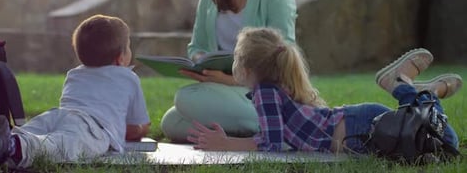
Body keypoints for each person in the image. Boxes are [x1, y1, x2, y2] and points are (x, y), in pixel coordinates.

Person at [187, 27, 462, 154]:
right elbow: (274, 139)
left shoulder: (265, 93)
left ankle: (402, 84)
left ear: (247, 69)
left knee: (441, 144)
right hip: (360, 127)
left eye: (235, 58)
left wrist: (227, 145)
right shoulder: (272, 90)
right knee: (435, 142)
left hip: (361, 128)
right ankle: (419, 93)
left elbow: (271, 143)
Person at [160, 0, 297, 142]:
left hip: (258, 92)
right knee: (171, 123)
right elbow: (197, 45)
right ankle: (246, 131)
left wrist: (231, 79)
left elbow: (284, 57)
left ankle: (273, 121)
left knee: (185, 99)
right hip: (218, 89)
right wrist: (200, 61)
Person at [0, 15, 150, 170]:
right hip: (92, 129)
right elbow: (136, 128)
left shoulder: (75, 74)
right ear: (120, 58)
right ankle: (12, 147)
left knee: (24, 131)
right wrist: (136, 129)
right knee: (58, 146)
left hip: (56, 115)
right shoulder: (128, 78)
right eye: (128, 47)